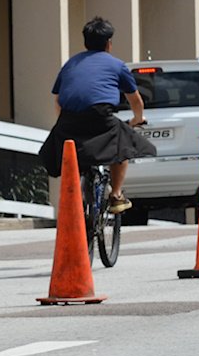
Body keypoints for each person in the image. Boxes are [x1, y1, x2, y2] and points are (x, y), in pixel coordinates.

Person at [39, 16, 150, 213]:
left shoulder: (70, 64)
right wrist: (137, 119)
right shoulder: (116, 65)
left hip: (69, 119)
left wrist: (63, 122)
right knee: (121, 147)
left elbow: (57, 99)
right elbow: (135, 101)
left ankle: (74, 198)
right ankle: (116, 195)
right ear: (109, 43)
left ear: (85, 42)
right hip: (100, 116)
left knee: (70, 153)